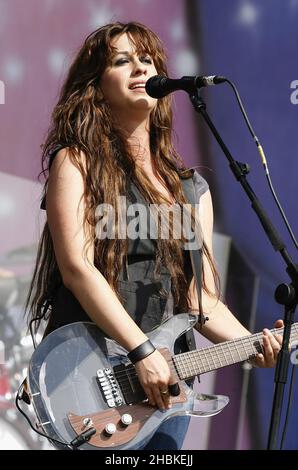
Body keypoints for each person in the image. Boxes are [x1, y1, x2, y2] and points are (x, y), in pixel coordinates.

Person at [25, 21, 283, 450]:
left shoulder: (190, 189)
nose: (140, 69)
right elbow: (77, 268)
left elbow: (200, 300)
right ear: (95, 85)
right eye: (122, 61)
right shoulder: (76, 162)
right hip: (91, 374)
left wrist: (252, 344)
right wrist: (142, 352)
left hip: (165, 392)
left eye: (147, 59)